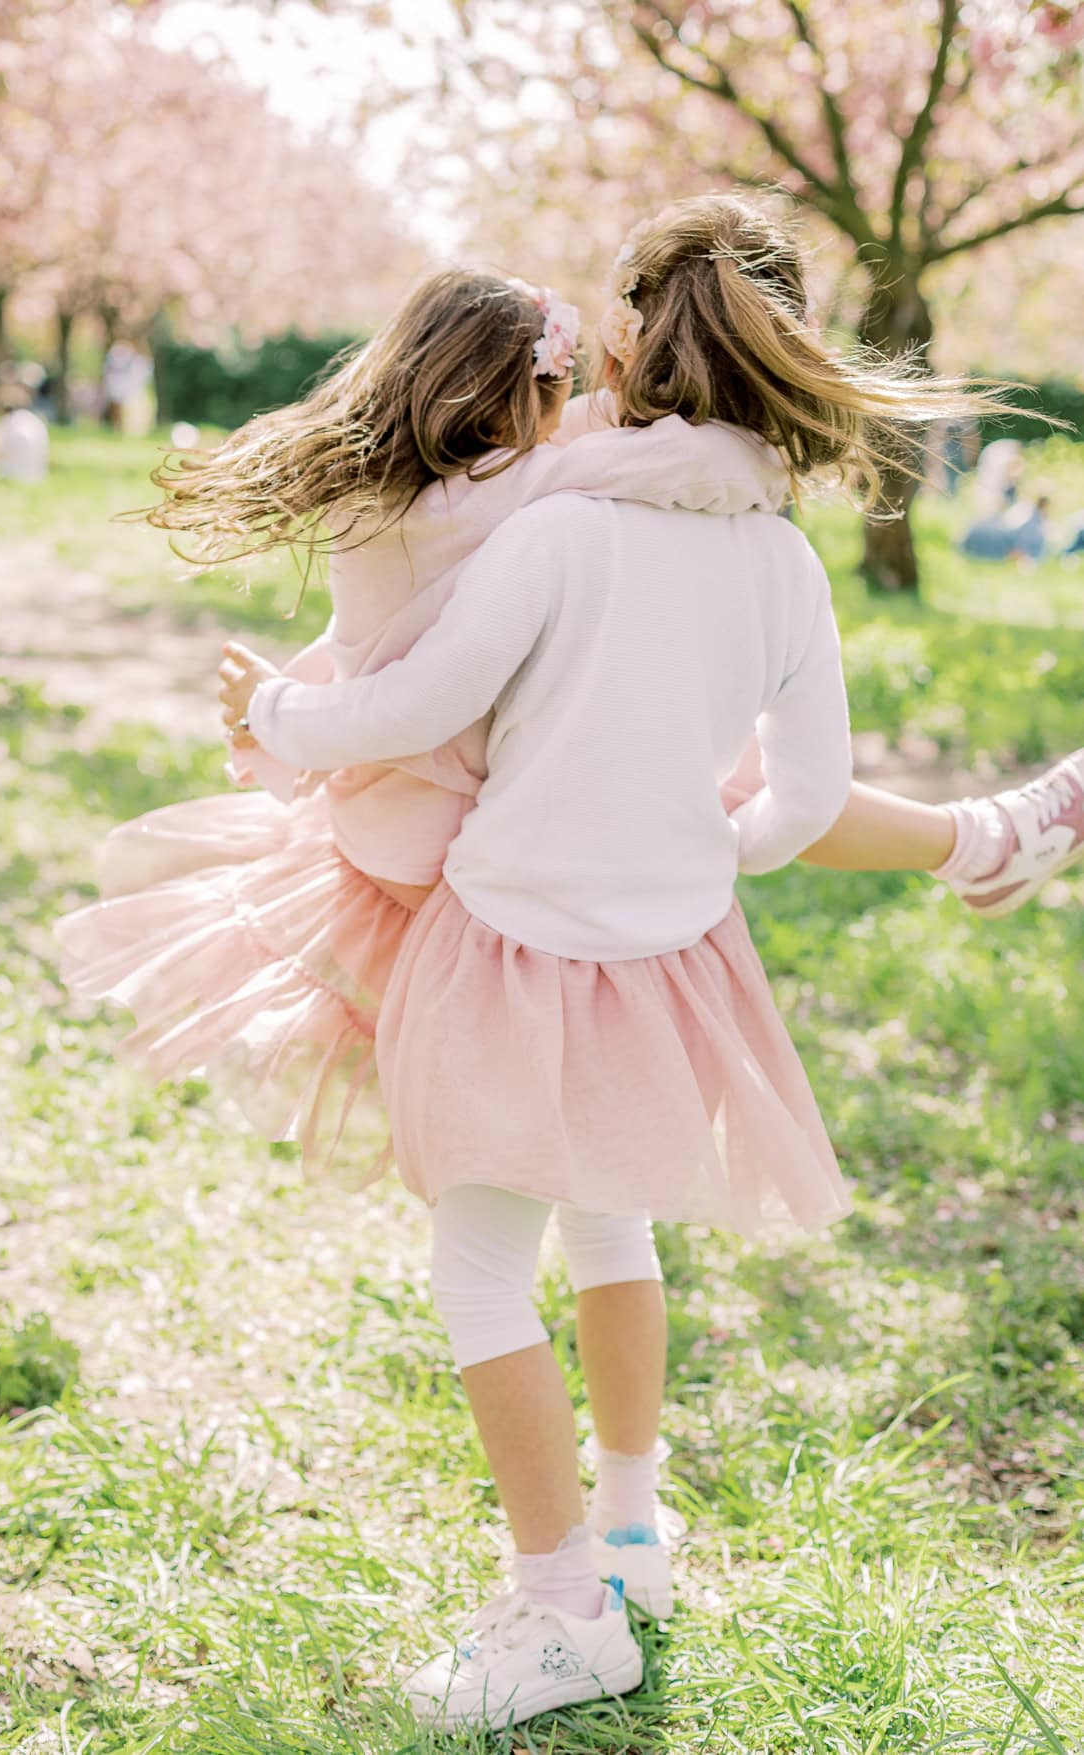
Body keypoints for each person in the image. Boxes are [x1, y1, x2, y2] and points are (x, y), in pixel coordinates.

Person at [61, 208, 1084, 1727]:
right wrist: (700, 847)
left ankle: (560, 1612)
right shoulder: (782, 562)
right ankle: (628, 1533)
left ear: (624, 343)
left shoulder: (555, 529)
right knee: (614, 1234)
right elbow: (798, 801)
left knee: (481, 1272)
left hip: (513, 941)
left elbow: (418, 705)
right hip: (667, 955)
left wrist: (277, 722)